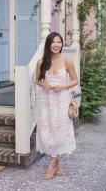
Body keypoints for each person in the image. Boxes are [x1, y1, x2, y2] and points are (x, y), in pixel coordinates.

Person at [35, 32, 78, 180]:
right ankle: (58, 164)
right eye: (53, 42)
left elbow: (74, 80)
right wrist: (44, 84)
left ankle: (52, 163)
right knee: (48, 130)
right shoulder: (41, 62)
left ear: (61, 44)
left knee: (60, 130)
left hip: (61, 100)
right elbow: (38, 80)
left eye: (59, 42)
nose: (56, 45)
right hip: (46, 100)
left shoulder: (67, 61)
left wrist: (63, 85)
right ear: (48, 44)